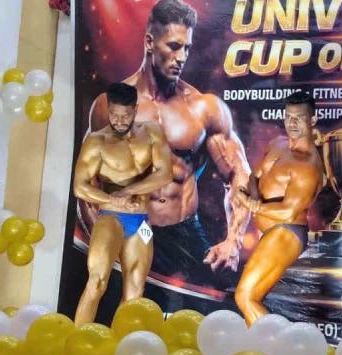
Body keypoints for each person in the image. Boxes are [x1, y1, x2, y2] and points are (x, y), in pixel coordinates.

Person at [86, 0, 250, 285]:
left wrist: (233, 240)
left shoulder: (203, 108)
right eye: (174, 46)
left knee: (208, 304)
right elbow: (89, 184)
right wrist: (103, 244)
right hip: (130, 227)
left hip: (184, 234)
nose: (182, 57)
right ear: (150, 42)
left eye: (186, 48)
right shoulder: (110, 106)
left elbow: (240, 173)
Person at [73, 83, 172, 325]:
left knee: (135, 293)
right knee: (96, 282)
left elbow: (165, 174)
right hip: (111, 217)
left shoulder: (151, 132)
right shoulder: (97, 141)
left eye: (125, 115)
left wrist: (129, 191)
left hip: (141, 222)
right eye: (113, 115)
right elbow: (79, 187)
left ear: (135, 110)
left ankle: (119, 343)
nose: (118, 121)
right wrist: (113, 199)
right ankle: (76, 338)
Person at [233, 92, 324, 325]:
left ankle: (275, 347)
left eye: (299, 118)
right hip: (272, 231)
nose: (292, 123)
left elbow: (288, 212)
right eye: (288, 117)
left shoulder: (308, 165)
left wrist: (251, 204)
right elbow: (255, 176)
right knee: (252, 298)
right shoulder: (278, 144)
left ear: (313, 120)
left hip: (287, 231)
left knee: (244, 296)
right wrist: (252, 196)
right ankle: (259, 346)